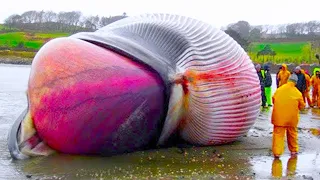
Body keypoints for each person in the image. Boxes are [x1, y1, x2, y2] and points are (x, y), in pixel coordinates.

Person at [271, 74, 305, 158]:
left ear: (288, 80)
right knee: (292, 134)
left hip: (279, 118)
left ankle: (277, 153)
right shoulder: (297, 92)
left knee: (278, 135)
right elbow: (302, 106)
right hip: (292, 119)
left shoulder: (279, 90)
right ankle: (293, 150)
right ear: (295, 82)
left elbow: (273, 99)